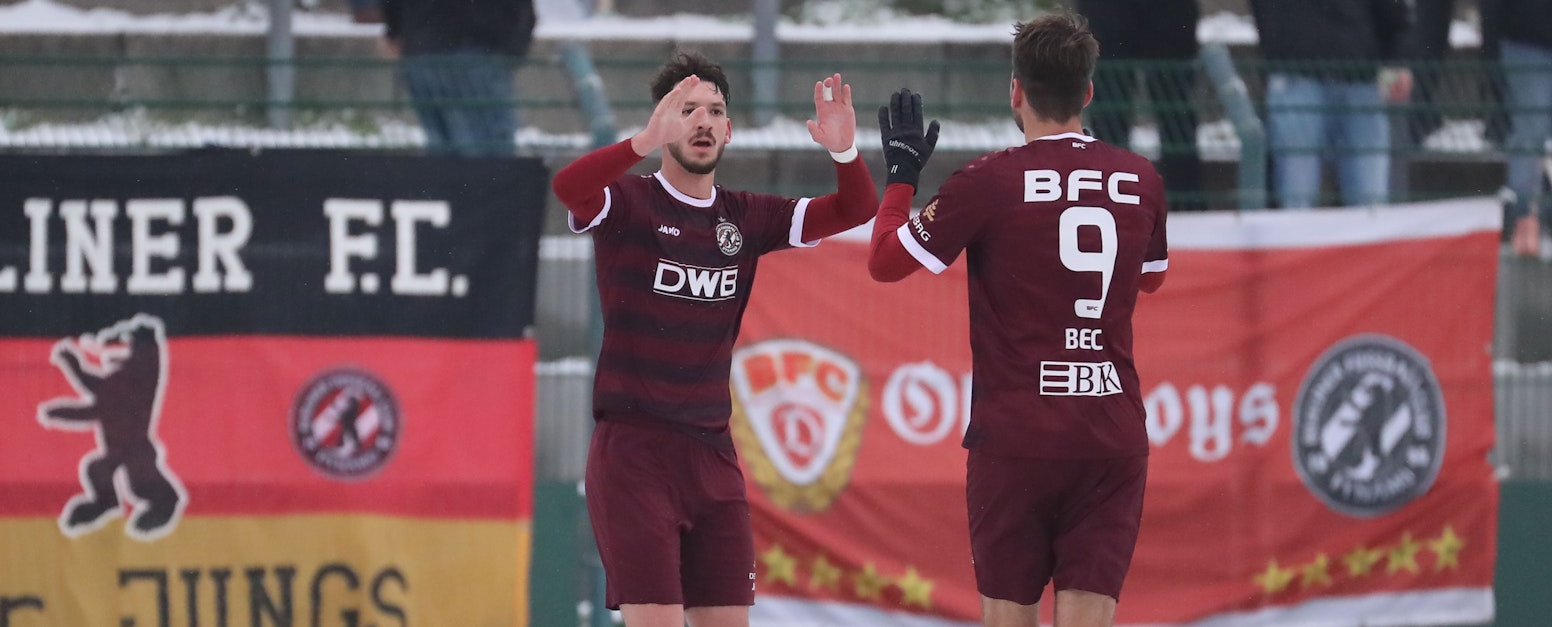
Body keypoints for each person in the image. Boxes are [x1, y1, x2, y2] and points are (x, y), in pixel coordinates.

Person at [550, 52, 877, 627]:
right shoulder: (629, 203)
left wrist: (844, 152)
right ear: (665, 121)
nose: (702, 121)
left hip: (713, 459)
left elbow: (857, 209)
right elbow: (568, 186)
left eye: (715, 111)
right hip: (635, 457)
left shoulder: (745, 217)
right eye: (687, 109)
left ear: (729, 130)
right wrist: (642, 140)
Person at [866, 14, 1166, 627]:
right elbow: (1152, 276)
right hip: (1109, 434)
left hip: (1017, 438)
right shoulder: (1141, 178)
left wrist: (900, 179)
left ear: (1016, 92)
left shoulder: (989, 180)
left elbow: (885, 262)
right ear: (1087, 91)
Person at [1251, 0, 1415, 208]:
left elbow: (1394, 11)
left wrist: (1397, 57)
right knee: (1296, 201)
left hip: (1360, 82)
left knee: (1370, 206)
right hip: (1298, 75)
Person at [1075, 0, 1204, 210]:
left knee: (1174, 106)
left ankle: (1187, 204)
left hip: (1167, 15)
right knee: (1112, 106)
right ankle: (1107, 201)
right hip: (1111, 14)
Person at [380, 0, 535, 157]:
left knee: (444, 150)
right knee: (488, 151)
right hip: (475, 47)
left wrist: (395, 30)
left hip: (421, 47)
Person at [1487, 0, 1552, 255]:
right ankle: (1524, 216)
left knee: (1531, 130)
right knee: (1530, 130)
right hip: (1525, 39)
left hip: (1525, 34)